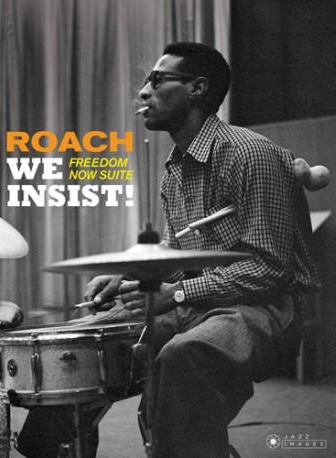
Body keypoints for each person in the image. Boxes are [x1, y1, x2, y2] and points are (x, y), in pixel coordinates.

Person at [83, 41, 320, 457]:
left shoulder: (251, 154)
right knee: (87, 341)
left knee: (185, 355)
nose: (143, 91)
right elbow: (178, 255)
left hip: (264, 308)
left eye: (157, 80)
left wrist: (176, 294)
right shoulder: (174, 168)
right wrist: (128, 277)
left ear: (197, 88)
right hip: (198, 303)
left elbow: (268, 268)